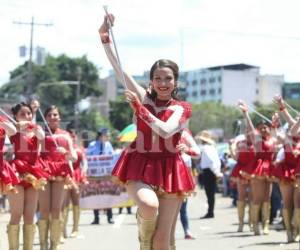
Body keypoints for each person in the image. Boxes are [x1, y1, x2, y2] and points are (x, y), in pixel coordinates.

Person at [99, 14, 195, 250]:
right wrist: (104, 36)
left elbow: (165, 131)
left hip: (171, 168)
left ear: (176, 81)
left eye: (168, 79)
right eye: (158, 78)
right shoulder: (143, 97)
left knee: (164, 241)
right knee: (149, 205)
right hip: (139, 163)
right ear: (151, 81)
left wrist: (139, 110)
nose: (163, 83)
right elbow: (118, 67)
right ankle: (143, 243)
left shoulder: (181, 108)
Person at [8, 102, 48, 250]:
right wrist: (19, 125)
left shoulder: (36, 129)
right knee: (16, 214)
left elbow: (42, 135)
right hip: (17, 173)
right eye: (22, 114)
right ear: (16, 117)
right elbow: (10, 129)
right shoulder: (14, 131)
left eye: (29, 113)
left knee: (30, 216)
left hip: (34, 173)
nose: (26, 116)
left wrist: (32, 124)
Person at [38, 105, 78, 250]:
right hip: (44, 172)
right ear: (46, 118)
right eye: (49, 115)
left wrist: (65, 152)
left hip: (60, 173)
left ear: (59, 117)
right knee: (44, 210)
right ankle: (43, 245)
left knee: (56, 209)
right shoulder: (41, 134)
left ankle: (54, 245)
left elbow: (73, 157)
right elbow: (35, 154)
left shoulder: (66, 136)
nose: (52, 117)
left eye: (55, 115)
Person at [238, 101, 276, 236]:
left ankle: (265, 225)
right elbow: (250, 127)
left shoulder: (273, 139)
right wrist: (246, 113)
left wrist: (275, 122)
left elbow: (278, 131)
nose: (264, 129)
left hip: (270, 169)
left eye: (265, 127)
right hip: (258, 168)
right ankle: (255, 225)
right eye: (261, 128)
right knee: (257, 198)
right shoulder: (256, 139)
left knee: (267, 198)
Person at [87, 127, 115, 225]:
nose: (108, 136)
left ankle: (110, 217)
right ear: (101, 135)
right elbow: (89, 158)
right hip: (95, 175)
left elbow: (112, 157)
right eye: (106, 134)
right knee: (95, 195)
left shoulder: (108, 145)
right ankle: (96, 217)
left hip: (106, 174)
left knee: (108, 194)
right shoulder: (92, 145)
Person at [177, 128, 200, 239]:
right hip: (167, 186)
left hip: (182, 187)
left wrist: (192, 187)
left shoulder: (187, 157)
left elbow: (189, 173)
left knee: (183, 209)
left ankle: (187, 231)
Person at [229, 134, 254, 232]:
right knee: (241, 197)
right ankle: (241, 223)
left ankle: (252, 222)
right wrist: (231, 147)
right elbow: (235, 157)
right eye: (247, 131)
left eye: (250, 131)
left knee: (252, 197)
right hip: (241, 171)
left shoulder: (257, 144)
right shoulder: (240, 143)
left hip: (252, 171)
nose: (249, 133)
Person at [196, 130, 222, 219]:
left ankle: (210, 212)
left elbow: (211, 162)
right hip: (211, 171)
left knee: (209, 193)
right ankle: (210, 211)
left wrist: (216, 172)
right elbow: (216, 161)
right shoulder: (212, 148)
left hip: (209, 172)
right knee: (211, 193)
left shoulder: (206, 149)